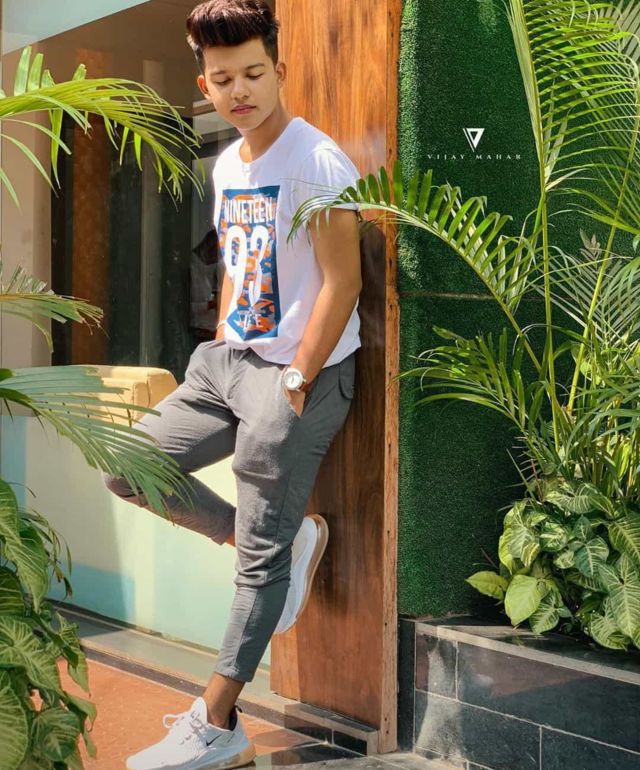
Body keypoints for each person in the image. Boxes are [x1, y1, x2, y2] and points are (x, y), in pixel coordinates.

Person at [103, 2, 362, 769]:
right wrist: (220, 339)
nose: (239, 90)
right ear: (205, 87)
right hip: (228, 361)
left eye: (253, 73)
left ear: (279, 71)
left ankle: (219, 726)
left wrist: (298, 376)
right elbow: (239, 262)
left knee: (259, 563)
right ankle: (271, 538)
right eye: (223, 80)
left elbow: (342, 282)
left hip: (298, 374)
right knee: (128, 467)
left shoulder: (316, 162)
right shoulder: (226, 164)